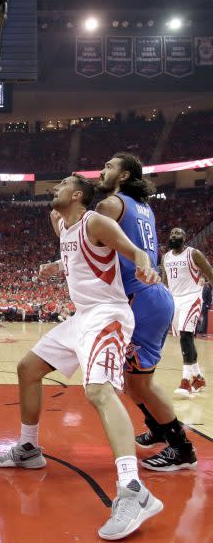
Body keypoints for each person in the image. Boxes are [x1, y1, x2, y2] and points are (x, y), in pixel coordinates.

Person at [0, 175, 163, 541]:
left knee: (98, 391)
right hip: (81, 317)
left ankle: (133, 489)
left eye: (62, 185)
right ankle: (30, 448)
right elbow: (79, 258)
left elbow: (135, 252)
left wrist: (146, 266)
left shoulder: (96, 221)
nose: (55, 189)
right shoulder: (63, 227)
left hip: (107, 315)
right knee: (28, 368)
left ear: (78, 194)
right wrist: (57, 266)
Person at [92, 153, 195, 471]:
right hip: (149, 297)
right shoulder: (142, 207)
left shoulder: (109, 206)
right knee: (131, 378)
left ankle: (182, 449)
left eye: (110, 166)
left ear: (123, 176)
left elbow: (89, 244)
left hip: (142, 299)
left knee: (142, 383)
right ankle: (160, 429)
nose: (103, 169)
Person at [163, 227, 212, 396]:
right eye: (172, 234)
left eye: (178, 234)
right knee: (187, 338)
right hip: (175, 300)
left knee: (185, 334)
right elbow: (165, 282)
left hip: (192, 297)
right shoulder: (166, 257)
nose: (174, 236)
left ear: (185, 238)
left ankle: (186, 382)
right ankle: (198, 377)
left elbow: (209, 272)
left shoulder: (193, 254)